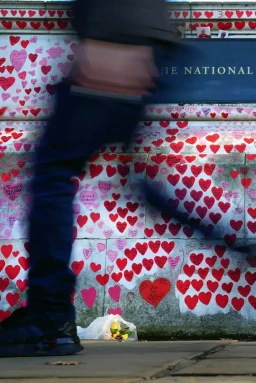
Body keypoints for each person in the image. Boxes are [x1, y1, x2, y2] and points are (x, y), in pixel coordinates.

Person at [0, 0, 189, 357]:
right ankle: (234, 241)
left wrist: (107, 43)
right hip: (140, 43)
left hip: (116, 42)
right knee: (138, 186)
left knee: (52, 175)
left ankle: (50, 318)